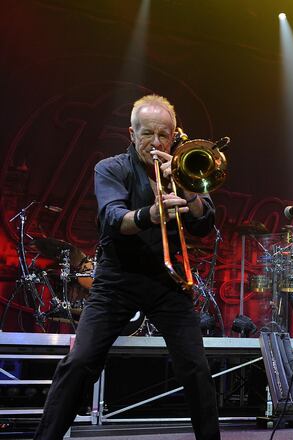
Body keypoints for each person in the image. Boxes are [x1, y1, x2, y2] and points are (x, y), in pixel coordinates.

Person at [34, 95, 220, 440]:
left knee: (195, 368)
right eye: (147, 133)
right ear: (131, 134)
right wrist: (152, 214)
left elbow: (204, 223)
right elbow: (112, 218)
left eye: (164, 134)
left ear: (174, 135)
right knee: (79, 363)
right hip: (117, 279)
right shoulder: (111, 168)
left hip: (168, 280)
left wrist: (190, 195)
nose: (156, 142)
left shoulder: (182, 170)